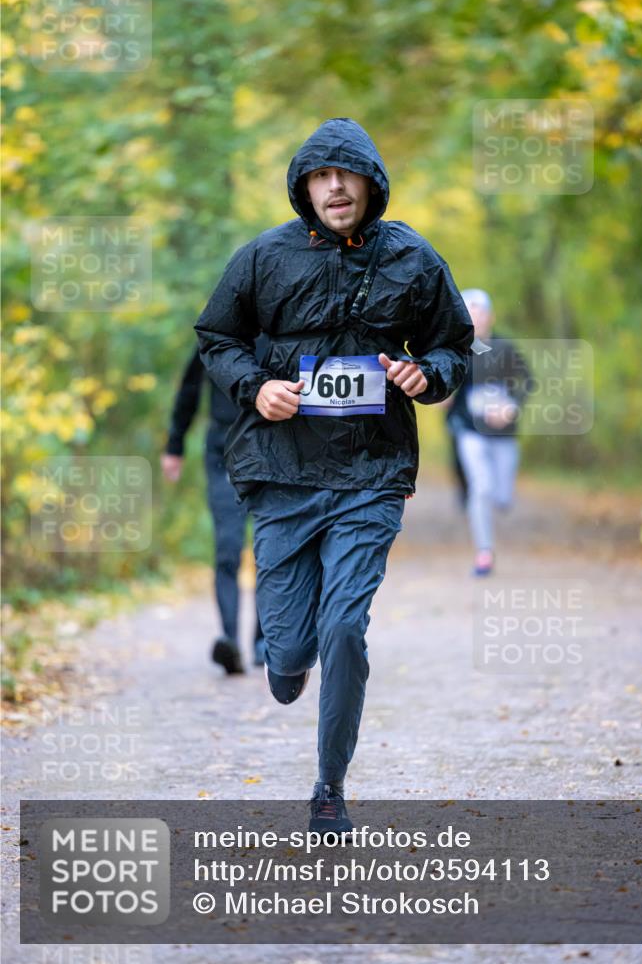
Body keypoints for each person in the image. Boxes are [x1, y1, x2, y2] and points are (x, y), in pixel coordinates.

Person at [195, 117, 473, 834]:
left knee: (345, 625)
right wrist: (256, 386)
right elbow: (216, 337)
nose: (335, 187)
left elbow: (453, 346)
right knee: (287, 651)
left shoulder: (412, 257)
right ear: (304, 188)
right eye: (320, 176)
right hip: (282, 470)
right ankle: (288, 659)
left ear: (371, 183)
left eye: (346, 174)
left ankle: (329, 786)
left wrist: (426, 374)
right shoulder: (264, 257)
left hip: (371, 470)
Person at [160, 341, 266, 673]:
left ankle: (264, 642)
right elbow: (190, 388)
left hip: (271, 450)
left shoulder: (280, 327)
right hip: (223, 451)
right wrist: (175, 445)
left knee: (270, 550)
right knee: (227, 550)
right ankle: (230, 642)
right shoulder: (215, 334)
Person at [445, 288, 533, 576]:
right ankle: (484, 551)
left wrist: (511, 407)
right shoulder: (457, 350)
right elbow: (444, 386)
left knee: (502, 497)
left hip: (503, 434)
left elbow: (528, 381)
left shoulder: (505, 348)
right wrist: (441, 394)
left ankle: (499, 501)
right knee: (480, 487)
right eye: (469, 313)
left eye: (480, 312)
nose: (475, 318)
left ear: (490, 316)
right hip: (469, 430)